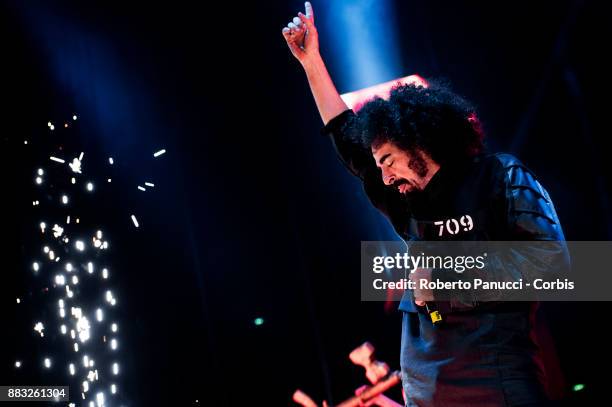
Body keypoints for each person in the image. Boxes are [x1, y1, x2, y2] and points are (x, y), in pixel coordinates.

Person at [282, 3, 567, 406]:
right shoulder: (405, 203)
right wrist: (311, 61)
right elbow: (344, 135)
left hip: (499, 384)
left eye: (388, 161)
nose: (383, 177)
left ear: (418, 142)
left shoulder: (499, 178)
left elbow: (557, 266)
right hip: (427, 392)